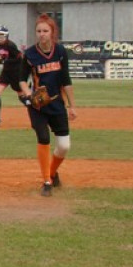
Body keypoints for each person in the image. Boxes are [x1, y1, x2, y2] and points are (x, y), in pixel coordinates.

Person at [19, 14, 77, 197]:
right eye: (39, 31)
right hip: (38, 106)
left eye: (45, 31)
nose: (42, 34)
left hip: (57, 103)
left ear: (52, 32)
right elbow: (21, 80)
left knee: (64, 146)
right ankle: (46, 181)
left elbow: (66, 80)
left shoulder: (60, 52)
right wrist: (29, 95)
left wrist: (72, 106)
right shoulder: (29, 54)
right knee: (43, 138)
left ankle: (52, 173)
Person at [0, 25, 23, 125]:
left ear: (7, 36)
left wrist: (6, 60)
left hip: (15, 73)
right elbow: (6, 59)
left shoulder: (11, 45)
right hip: (6, 73)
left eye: (2, 36)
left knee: (22, 96)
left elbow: (19, 58)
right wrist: (4, 61)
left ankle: (39, 113)